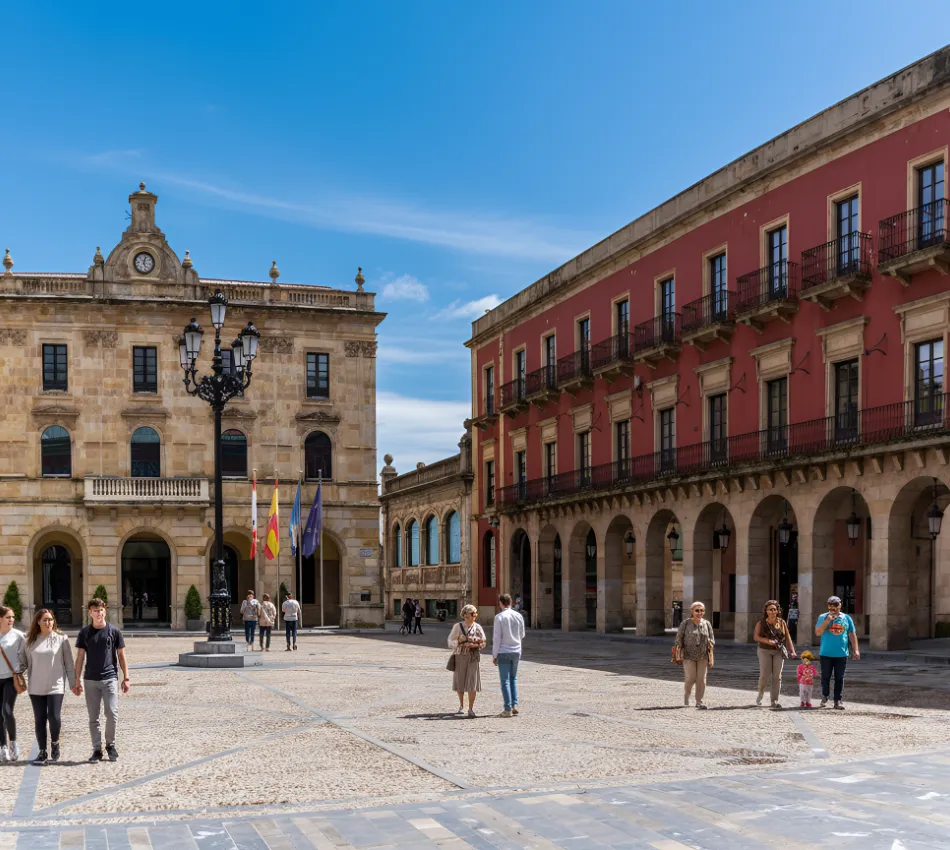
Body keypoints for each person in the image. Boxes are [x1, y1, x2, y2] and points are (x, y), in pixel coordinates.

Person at [73, 598, 130, 762]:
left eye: (101, 610)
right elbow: (80, 657)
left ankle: (110, 745)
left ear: (105, 611)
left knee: (112, 713)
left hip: (110, 677)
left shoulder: (114, 632)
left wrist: (126, 678)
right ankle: (97, 749)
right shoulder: (85, 633)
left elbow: (121, 655)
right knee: (93, 717)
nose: (98, 613)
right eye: (95, 610)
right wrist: (77, 680)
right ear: (90, 612)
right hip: (90, 679)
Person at [19, 609, 75, 766]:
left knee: (54, 717)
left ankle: (55, 742)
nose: (48, 622)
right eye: (45, 620)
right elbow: (22, 662)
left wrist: (73, 683)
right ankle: (42, 750)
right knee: (40, 720)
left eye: (50, 619)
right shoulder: (29, 640)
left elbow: (69, 664)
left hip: (55, 686)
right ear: (38, 622)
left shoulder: (61, 639)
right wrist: (16, 674)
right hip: (36, 686)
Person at [815, 595, 859, 709]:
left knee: (839, 678)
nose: (832, 608)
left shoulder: (846, 618)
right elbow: (818, 632)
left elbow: (852, 634)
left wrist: (856, 650)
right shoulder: (823, 617)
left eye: (835, 605)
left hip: (841, 653)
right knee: (825, 677)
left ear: (840, 605)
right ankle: (825, 696)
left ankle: (838, 700)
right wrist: (828, 620)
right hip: (826, 653)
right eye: (830, 605)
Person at [754, 600, 797, 709]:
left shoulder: (781, 622)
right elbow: (756, 637)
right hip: (764, 650)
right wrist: (767, 641)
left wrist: (792, 650)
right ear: (766, 611)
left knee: (777, 676)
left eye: (774, 609)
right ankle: (761, 692)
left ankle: (774, 700)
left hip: (779, 651)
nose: (773, 611)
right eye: (770, 609)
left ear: (778, 611)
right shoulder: (761, 623)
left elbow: (787, 637)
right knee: (765, 675)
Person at [674, 601, 715, 709]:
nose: (699, 613)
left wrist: (710, 643)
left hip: (703, 655)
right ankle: (687, 696)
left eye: (702, 610)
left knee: (701, 679)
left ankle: (699, 701)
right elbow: (679, 638)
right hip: (688, 655)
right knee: (691, 678)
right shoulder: (686, 623)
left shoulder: (707, 624)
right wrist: (679, 648)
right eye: (697, 610)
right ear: (692, 611)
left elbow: (712, 638)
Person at [447, 605, 486, 718]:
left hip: (473, 657)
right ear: (465, 615)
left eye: (475, 614)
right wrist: (459, 640)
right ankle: (461, 705)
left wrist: (476, 643)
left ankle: (471, 708)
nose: (474, 616)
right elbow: (450, 641)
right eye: (471, 614)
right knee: (460, 682)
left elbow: (483, 642)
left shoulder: (477, 627)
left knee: (472, 683)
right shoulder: (458, 627)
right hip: (460, 656)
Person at [492, 593, 525, 718]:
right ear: (510, 602)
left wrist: (494, 655)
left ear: (500, 603)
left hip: (504, 651)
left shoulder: (499, 617)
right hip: (516, 651)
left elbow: (497, 638)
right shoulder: (518, 616)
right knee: (513, 678)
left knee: (504, 680)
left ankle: (507, 708)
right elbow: (522, 634)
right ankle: (514, 705)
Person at [0, 605, 25, 763]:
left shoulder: (18, 636)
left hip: (11, 679)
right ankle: (2, 746)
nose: (11, 620)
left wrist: (19, 670)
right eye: (8, 617)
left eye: (13, 617)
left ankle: (13, 743)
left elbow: (24, 658)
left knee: (7, 711)